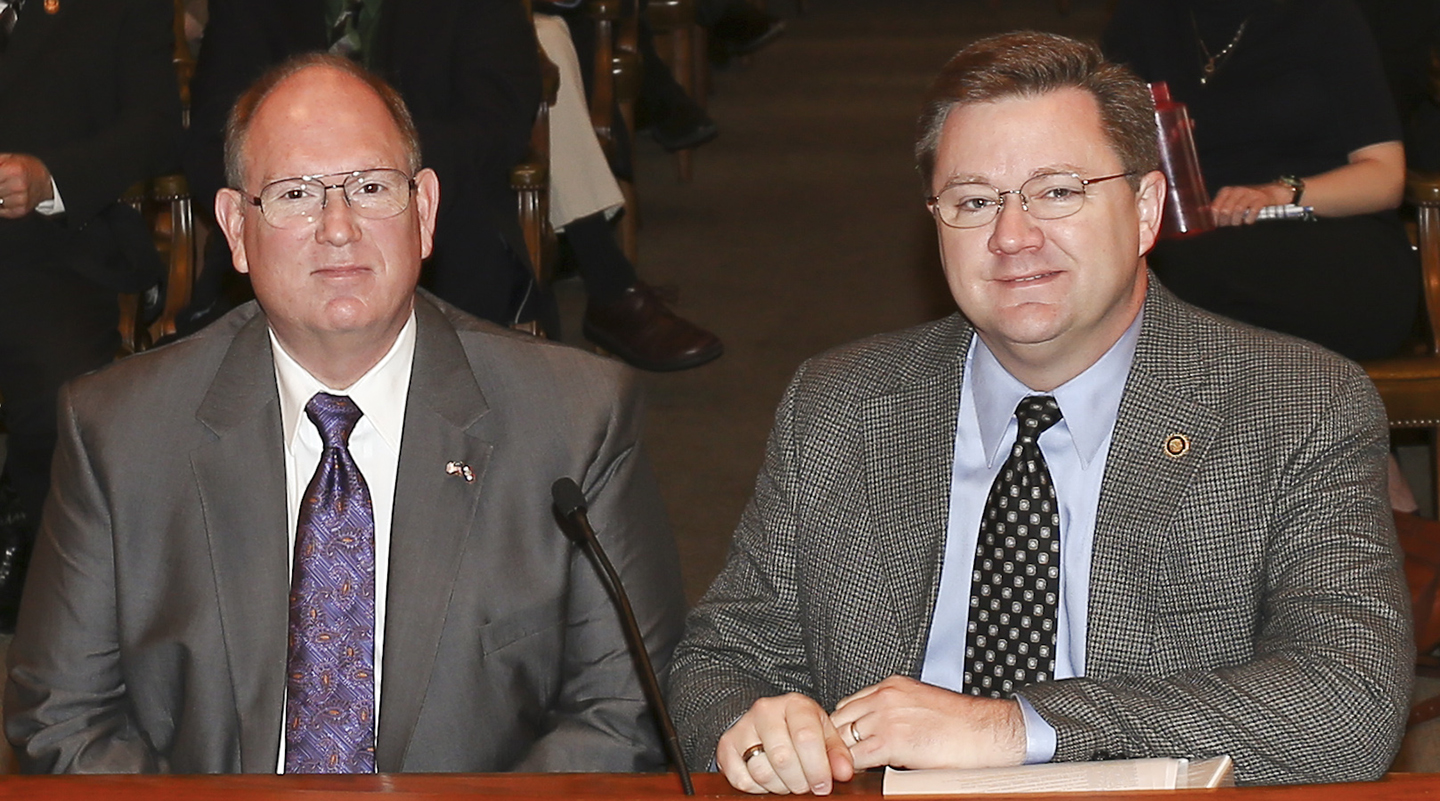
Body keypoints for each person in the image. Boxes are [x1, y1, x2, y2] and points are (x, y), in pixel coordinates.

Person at [667, 31, 1412, 794]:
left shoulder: (1297, 405)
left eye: (1057, 191)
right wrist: (756, 727)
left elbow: (1347, 701)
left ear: (1146, 209)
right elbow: (721, 659)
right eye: (973, 201)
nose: (1012, 236)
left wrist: (1012, 727)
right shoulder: (839, 403)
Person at [5, 54, 687, 775]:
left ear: (424, 212)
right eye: (296, 193)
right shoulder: (120, 432)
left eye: (370, 187)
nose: (338, 227)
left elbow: (624, 713)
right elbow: (62, 717)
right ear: (236, 228)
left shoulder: (574, 421)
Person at [185, 0, 543, 328]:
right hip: (279, 231)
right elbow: (211, 142)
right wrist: (299, 184)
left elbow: (499, 124)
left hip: (450, 215)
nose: (339, 230)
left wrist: (378, 176)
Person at [0, 0, 183, 632]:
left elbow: (158, 126)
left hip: (53, 253)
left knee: (63, 403)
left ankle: (69, 615)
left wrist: (51, 179)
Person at [1102, 0, 1419, 363]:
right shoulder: (1141, 18)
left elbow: (1384, 178)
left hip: (1325, 230)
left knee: (1176, 285)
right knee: (1154, 276)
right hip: (1194, 238)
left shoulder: (1325, 15)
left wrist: (1277, 193)